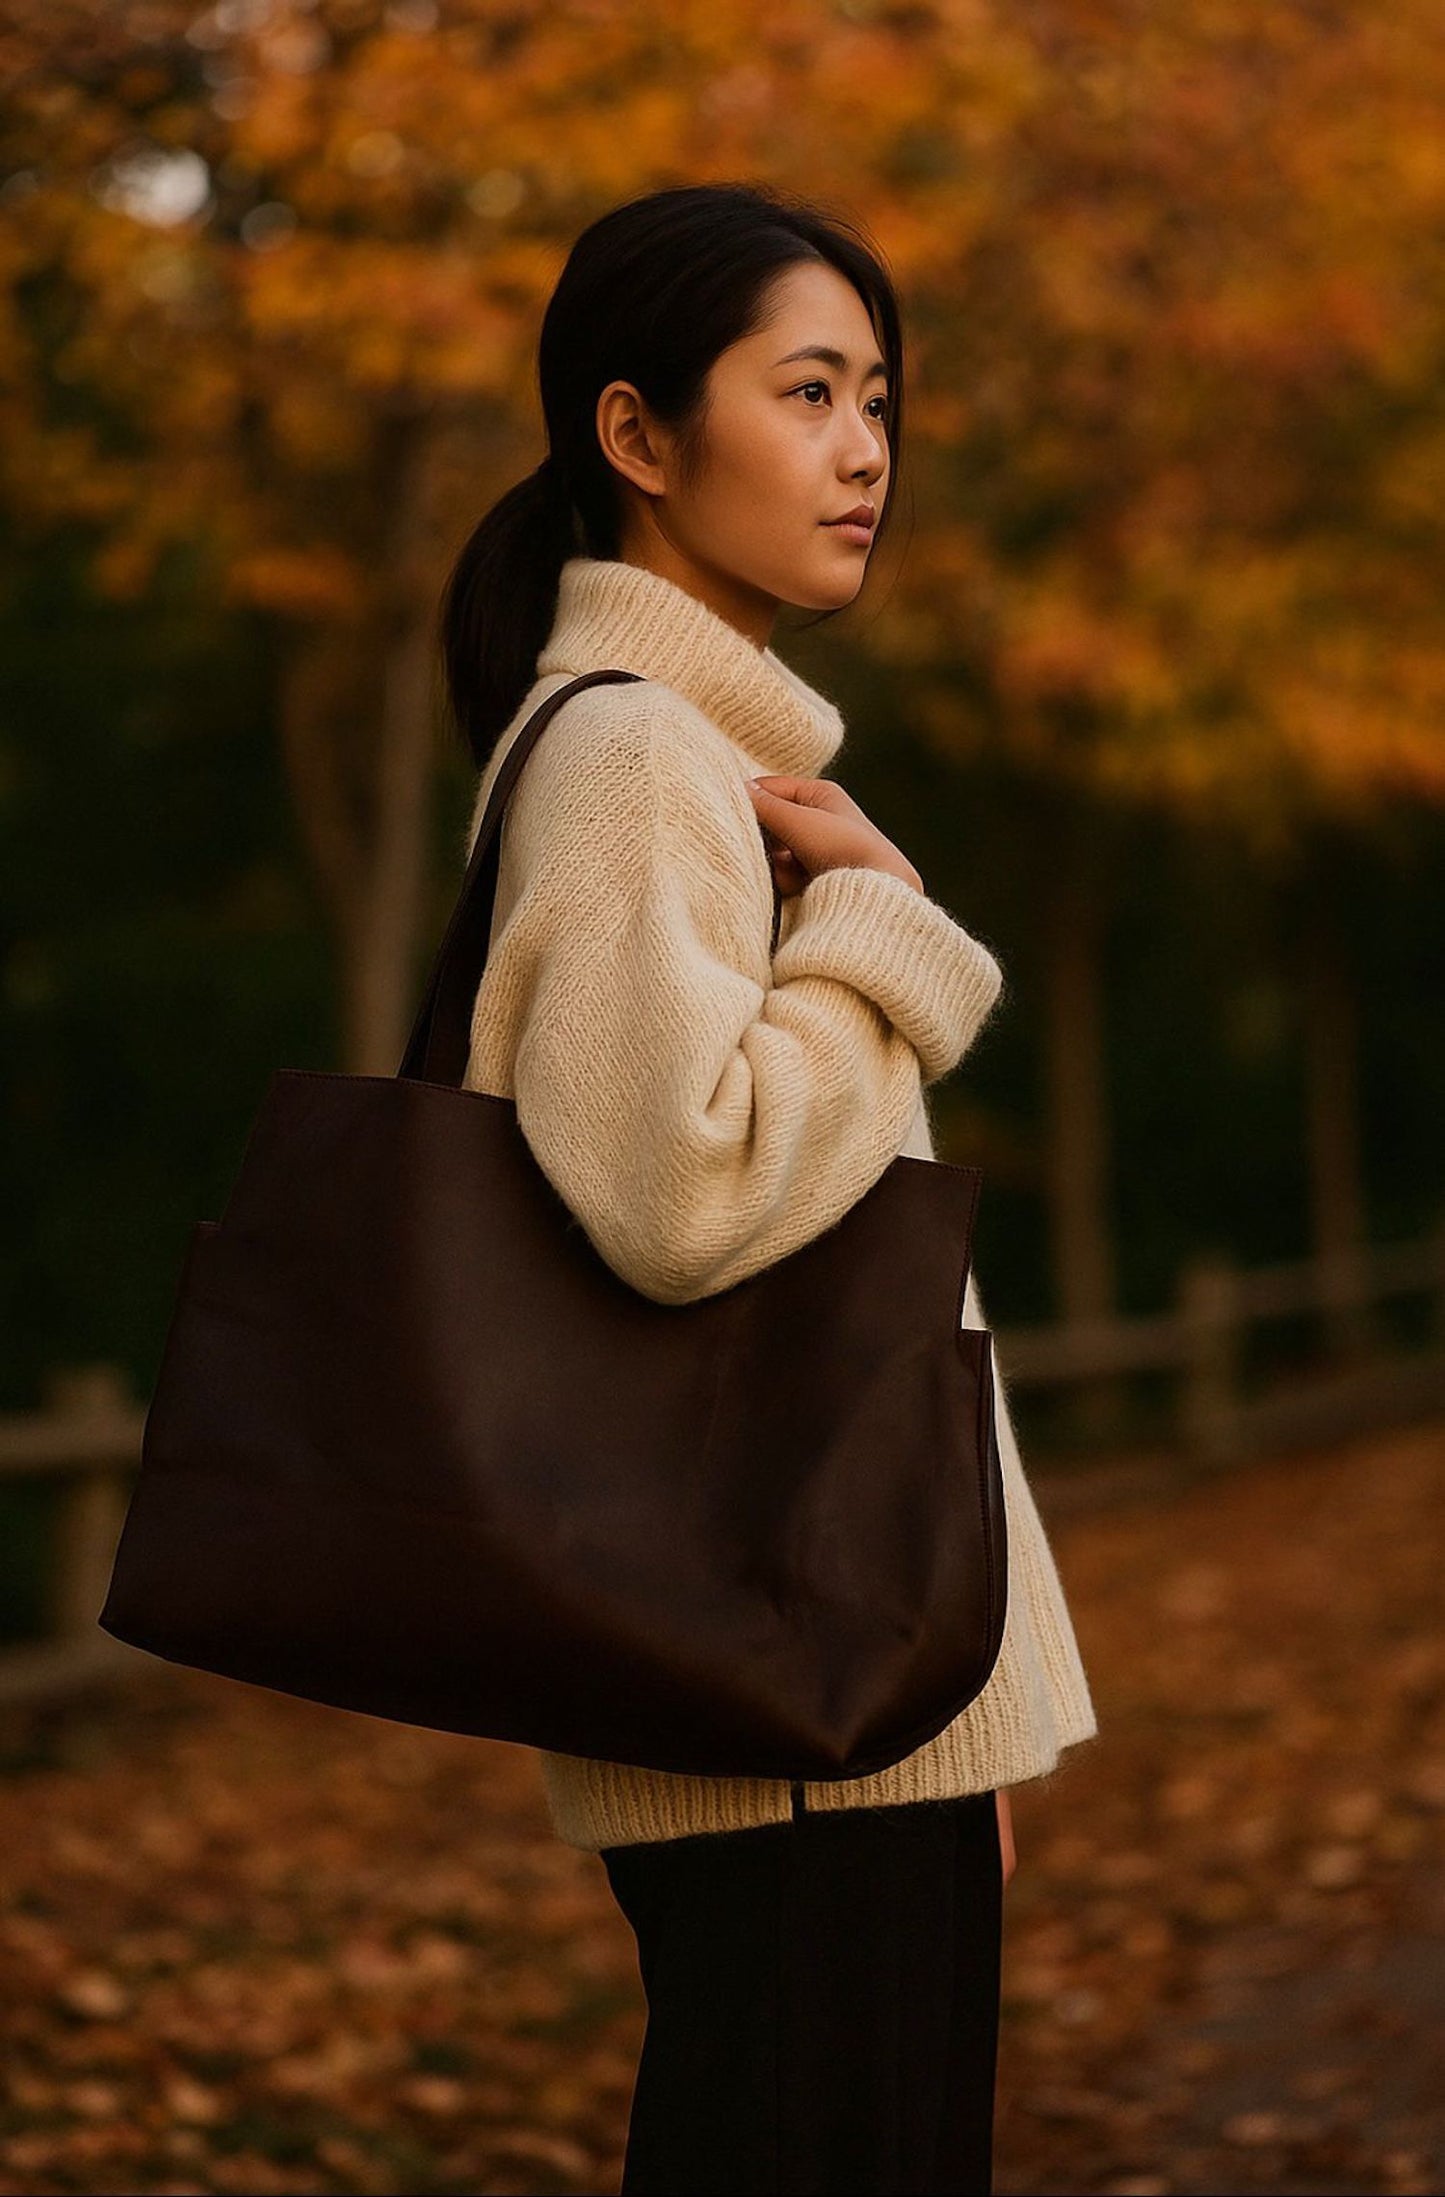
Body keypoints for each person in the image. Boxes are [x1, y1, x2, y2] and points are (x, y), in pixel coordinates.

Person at [437, 181, 1098, 2197]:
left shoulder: (683, 758)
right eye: (805, 391)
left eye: (878, 398)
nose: (865, 449)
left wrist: (955, 1707)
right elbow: (685, 1190)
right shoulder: (634, 756)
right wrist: (890, 927)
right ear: (638, 438)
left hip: (840, 1687)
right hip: (790, 1694)